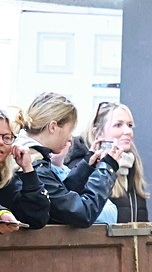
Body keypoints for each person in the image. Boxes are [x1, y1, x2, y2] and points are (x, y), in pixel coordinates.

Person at [16, 92, 117, 227]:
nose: (71, 138)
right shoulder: (31, 165)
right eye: (70, 130)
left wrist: (87, 166)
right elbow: (82, 214)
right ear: (53, 127)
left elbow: (59, 197)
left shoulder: (30, 159)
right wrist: (107, 169)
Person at [66, 102, 149, 222]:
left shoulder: (132, 165)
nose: (127, 131)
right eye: (118, 125)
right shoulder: (81, 169)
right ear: (97, 133)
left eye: (130, 125)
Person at [0, 106, 50, 231]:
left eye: (6, 137)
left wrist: (28, 169)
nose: (1, 142)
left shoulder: (6, 178)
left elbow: (37, 218)